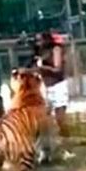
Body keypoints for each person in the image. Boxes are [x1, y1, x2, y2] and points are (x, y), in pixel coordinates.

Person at [32, 30, 74, 161]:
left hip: (58, 86)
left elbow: (57, 69)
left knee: (60, 119)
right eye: (37, 40)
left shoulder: (56, 49)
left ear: (47, 40)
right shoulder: (39, 53)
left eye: (40, 40)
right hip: (45, 88)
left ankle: (66, 149)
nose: (38, 43)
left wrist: (43, 68)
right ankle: (44, 151)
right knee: (40, 121)